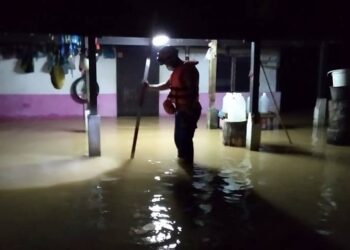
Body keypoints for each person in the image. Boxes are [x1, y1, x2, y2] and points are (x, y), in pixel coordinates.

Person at [144, 46, 202, 165]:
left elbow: (192, 91)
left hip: (189, 111)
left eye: (166, 62)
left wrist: (189, 110)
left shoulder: (188, 70)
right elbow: (166, 85)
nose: (166, 65)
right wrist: (149, 87)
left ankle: (188, 168)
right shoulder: (176, 71)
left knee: (185, 140)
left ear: (172, 58)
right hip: (180, 111)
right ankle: (183, 164)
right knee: (178, 140)